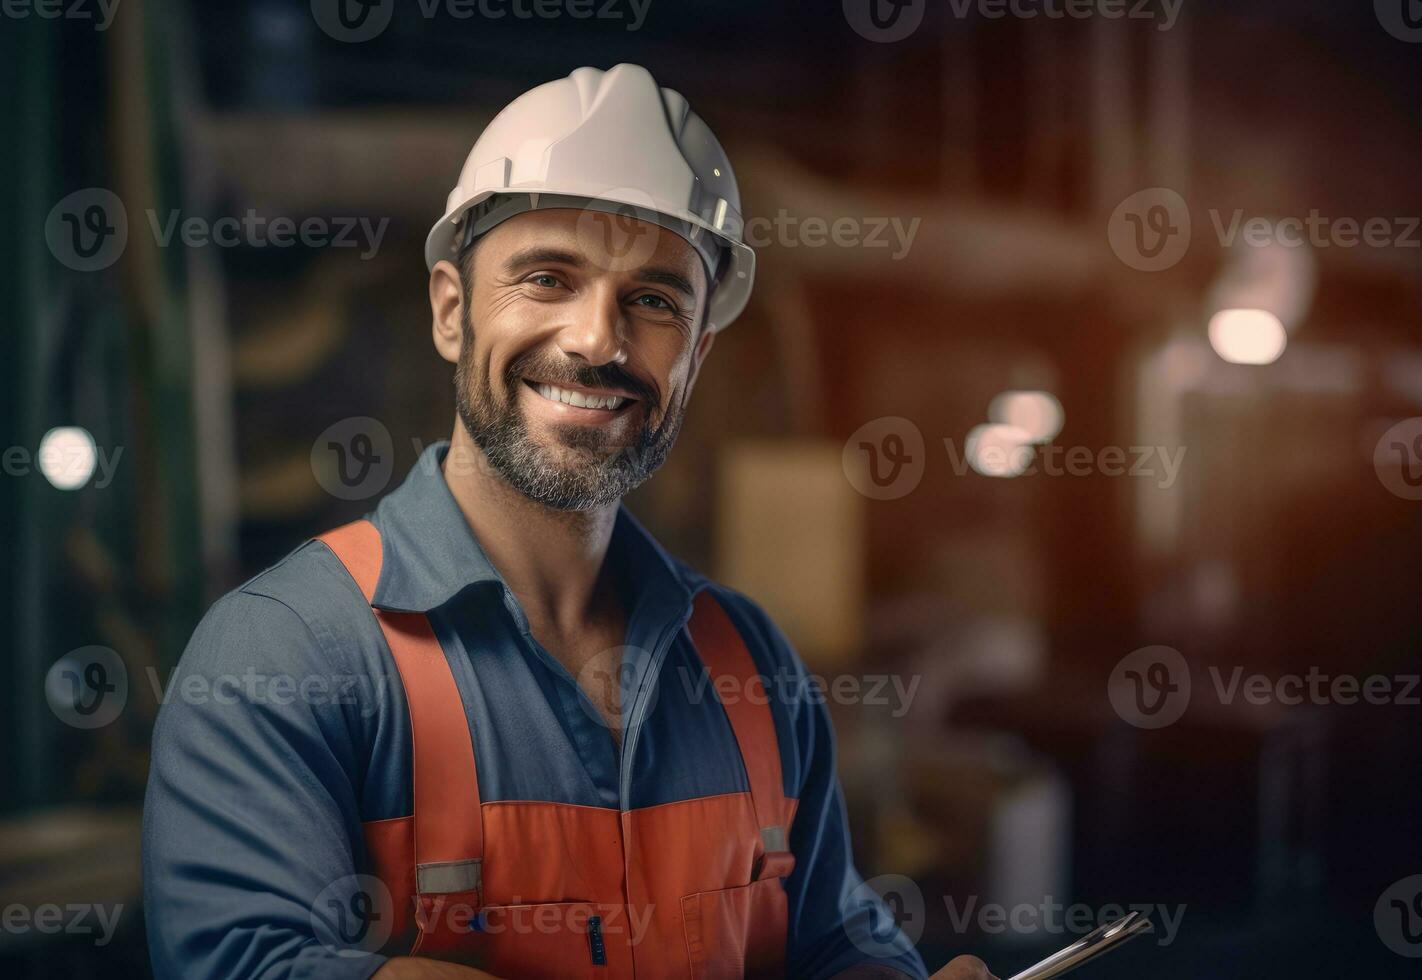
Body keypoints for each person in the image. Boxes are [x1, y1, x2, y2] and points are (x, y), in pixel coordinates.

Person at [143, 63, 995, 980]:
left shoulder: (750, 664)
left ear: (698, 356)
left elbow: (833, 944)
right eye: (548, 277)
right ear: (451, 310)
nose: (598, 340)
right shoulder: (286, 654)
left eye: (655, 300)